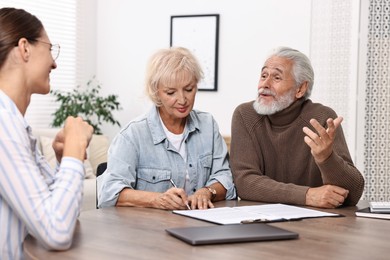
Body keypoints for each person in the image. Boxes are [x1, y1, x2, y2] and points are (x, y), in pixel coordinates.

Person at [0, 7, 94, 259]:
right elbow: (56, 231)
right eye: (50, 49)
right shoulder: (3, 124)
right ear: (25, 48)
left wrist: (65, 161)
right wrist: (75, 149)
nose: (54, 62)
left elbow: (65, 213)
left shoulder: (17, 125)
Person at [98, 47, 236, 210]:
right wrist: (156, 199)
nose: (182, 99)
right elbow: (108, 193)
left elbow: (225, 177)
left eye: (189, 89)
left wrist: (207, 192)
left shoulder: (208, 125)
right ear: (156, 93)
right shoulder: (132, 135)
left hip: (200, 226)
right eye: (171, 92)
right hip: (148, 230)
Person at [230, 46, 364, 209]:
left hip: (318, 225)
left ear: (300, 89)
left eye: (276, 78)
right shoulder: (245, 115)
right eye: (263, 75)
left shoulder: (321, 118)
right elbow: (245, 183)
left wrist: (327, 158)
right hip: (260, 220)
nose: (264, 84)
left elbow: (353, 194)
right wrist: (307, 195)